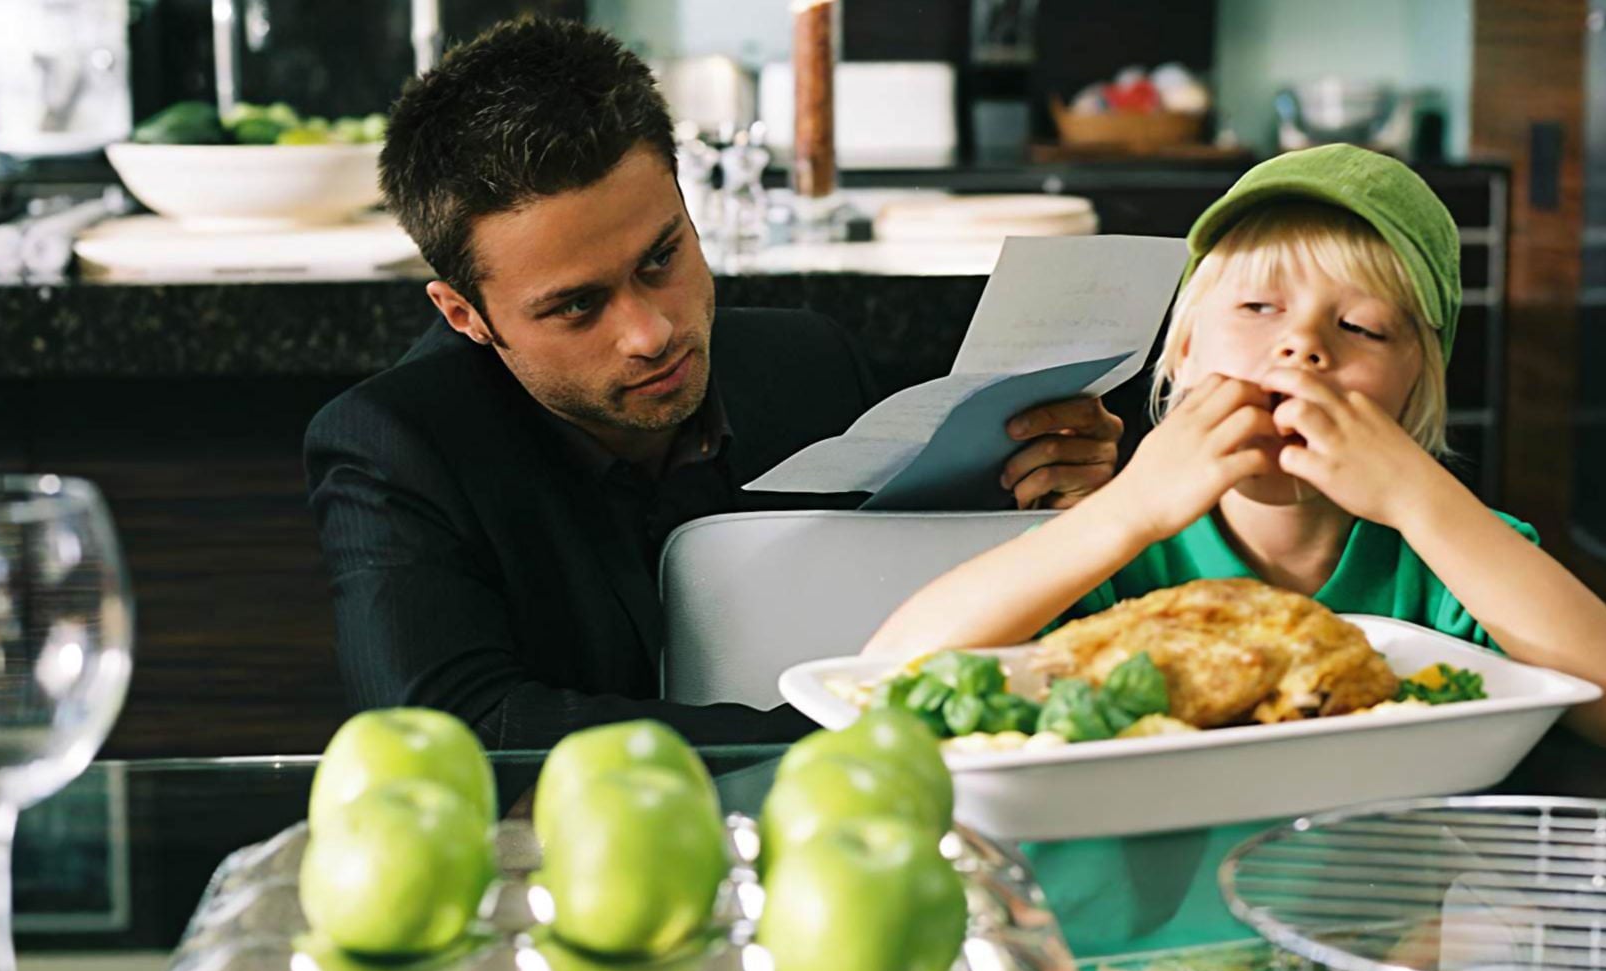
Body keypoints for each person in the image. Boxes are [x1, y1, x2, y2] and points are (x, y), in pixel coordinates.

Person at [304, 18, 1125, 750]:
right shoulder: (395, 446)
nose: (650, 332)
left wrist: (1046, 493)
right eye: (577, 306)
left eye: (662, 257)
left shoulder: (807, 361)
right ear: (465, 315)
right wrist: (854, 730)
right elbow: (455, 727)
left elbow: (915, 590)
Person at [866, 144, 1606, 748]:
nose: (1301, 348)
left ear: (1415, 391)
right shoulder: (1123, 550)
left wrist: (1421, 496)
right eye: (1256, 307)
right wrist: (1125, 513)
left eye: (1360, 328)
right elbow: (892, 675)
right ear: (1181, 355)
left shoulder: (1448, 553)